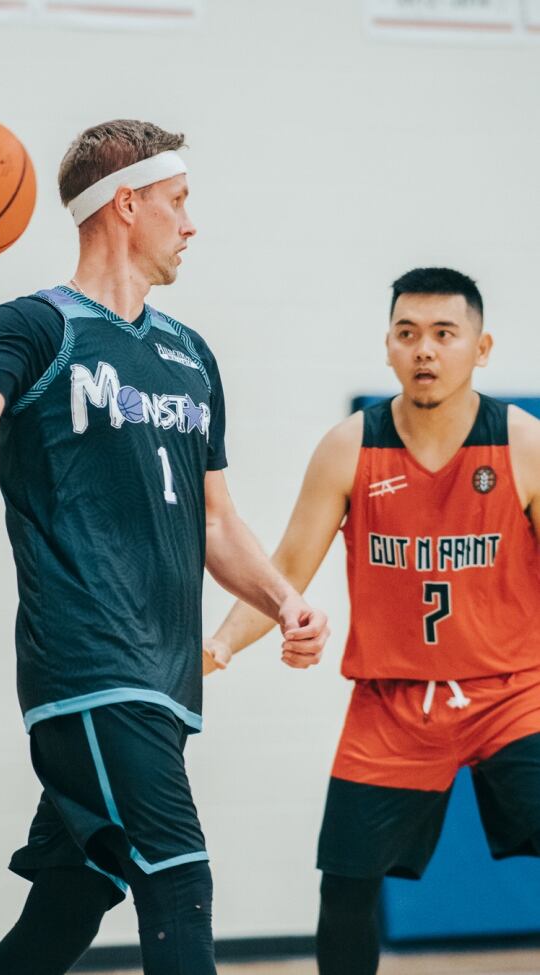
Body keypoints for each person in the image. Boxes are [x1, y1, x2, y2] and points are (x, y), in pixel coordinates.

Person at [0, 119, 329, 975]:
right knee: (180, 878)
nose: (192, 224)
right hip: (88, 670)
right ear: (127, 205)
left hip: (162, 681)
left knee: (69, 902)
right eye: (179, 202)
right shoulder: (39, 327)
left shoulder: (190, 356)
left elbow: (215, 521)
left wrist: (284, 599)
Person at [204, 267, 540, 974]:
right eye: (408, 333)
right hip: (393, 704)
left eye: (445, 334)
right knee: (347, 886)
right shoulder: (351, 446)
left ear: (481, 348)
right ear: (387, 345)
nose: (425, 350)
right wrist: (224, 643)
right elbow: (289, 562)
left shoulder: (522, 443)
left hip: (514, 694)